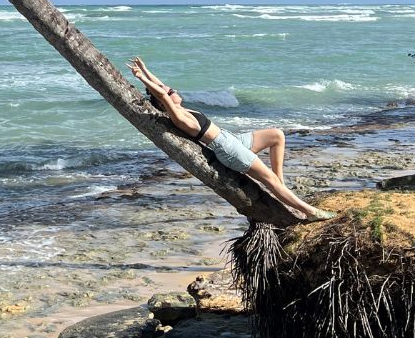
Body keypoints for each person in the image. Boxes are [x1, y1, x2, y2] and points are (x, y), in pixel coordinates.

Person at [127, 57, 335, 222]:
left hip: (231, 139)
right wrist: (141, 79)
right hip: (227, 149)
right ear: (166, 101)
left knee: (276, 135)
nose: (174, 90)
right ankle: (310, 212)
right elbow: (162, 95)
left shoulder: (181, 108)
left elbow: (162, 89)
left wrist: (145, 70)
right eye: (171, 92)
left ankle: (282, 187)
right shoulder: (179, 117)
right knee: (269, 180)